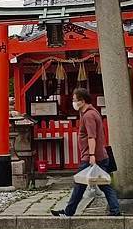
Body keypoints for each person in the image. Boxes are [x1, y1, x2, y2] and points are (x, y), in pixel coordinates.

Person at [51, 88, 120, 217]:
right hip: (98, 155)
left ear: (82, 101)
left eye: (74, 100)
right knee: (103, 184)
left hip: (92, 156)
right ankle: (115, 210)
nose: (73, 102)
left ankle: (69, 212)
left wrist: (92, 155)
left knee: (81, 184)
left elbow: (91, 136)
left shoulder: (88, 115)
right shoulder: (91, 113)